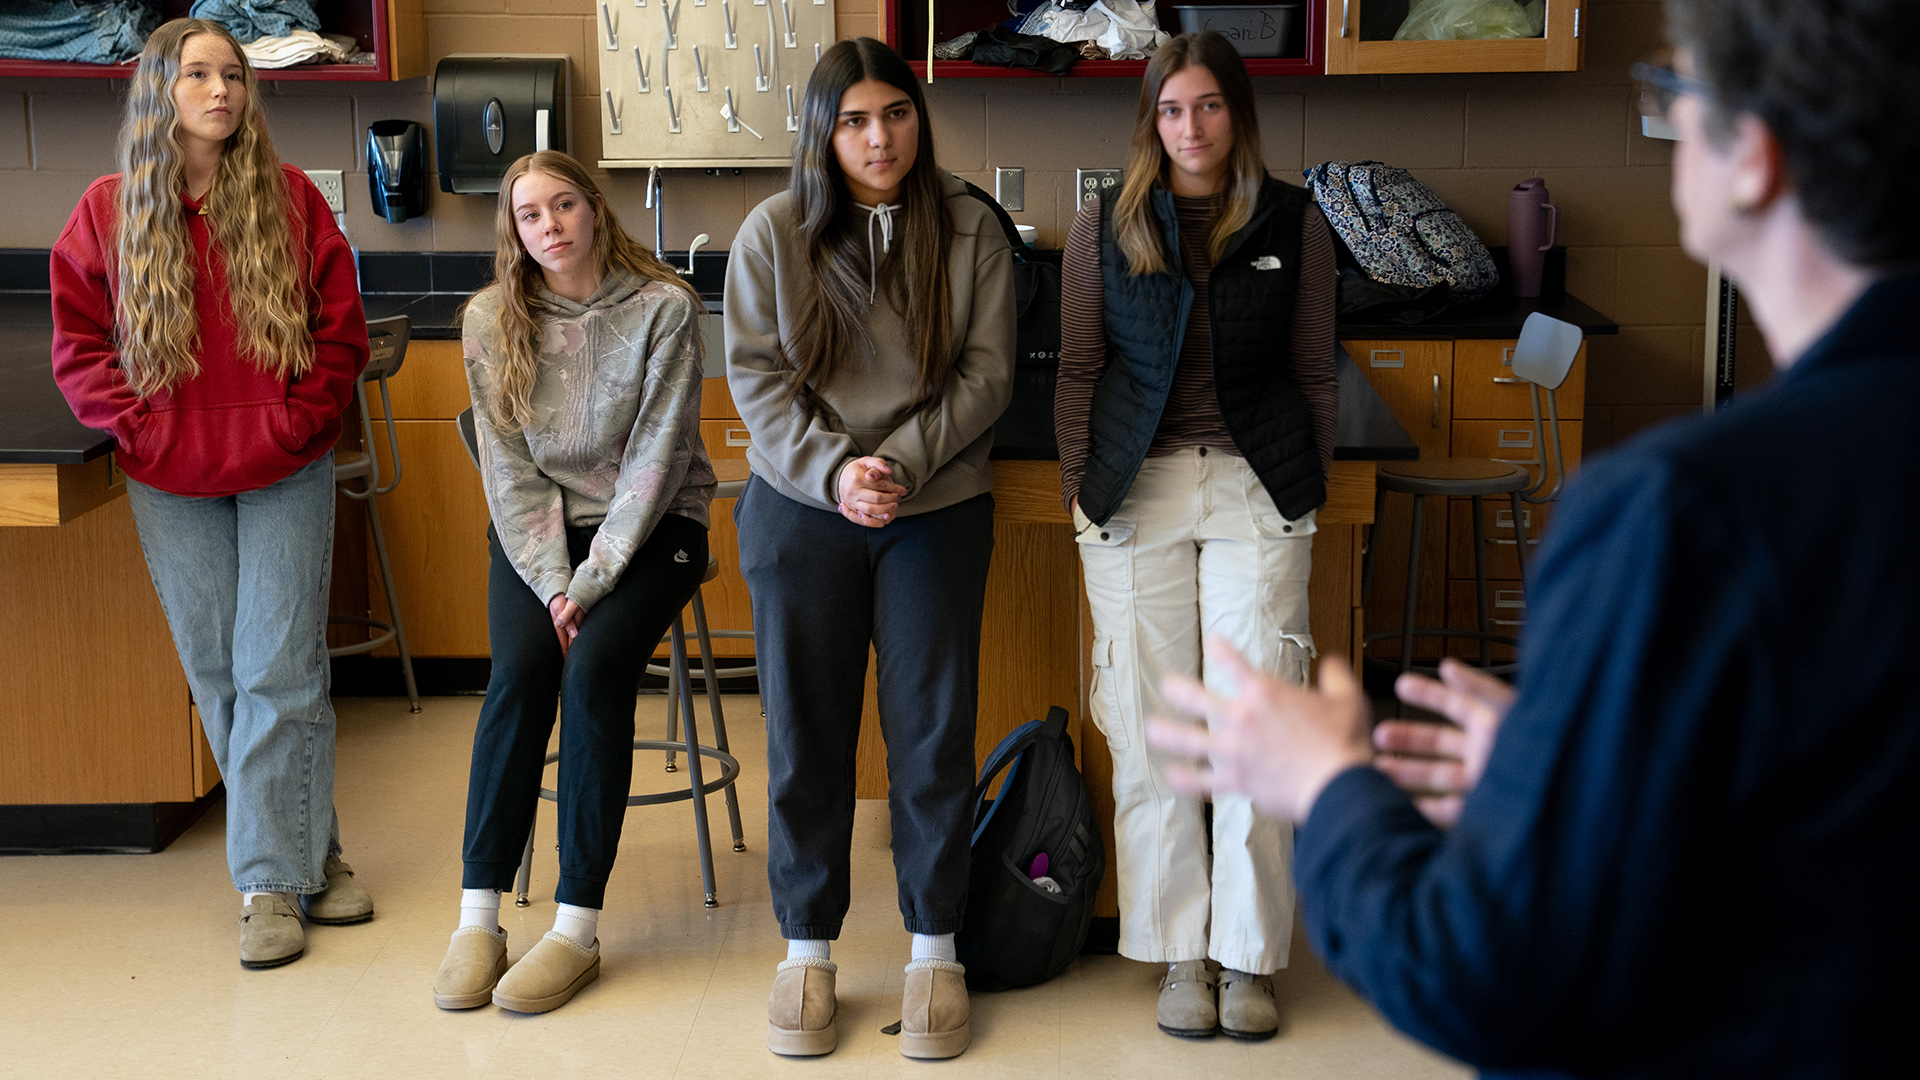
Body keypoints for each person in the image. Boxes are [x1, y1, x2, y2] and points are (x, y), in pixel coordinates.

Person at [1145, 0, 1920, 1074]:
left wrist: (1330, 782)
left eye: (1679, 94)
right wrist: (1587, 762)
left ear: (1756, 158)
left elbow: (1491, 975)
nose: (1667, 122)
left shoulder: (1677, 516)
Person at [49, 18, 372, 970]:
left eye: (233, 74)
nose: (222, 90)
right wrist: (146, 428)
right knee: (223, 677)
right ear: (161, 90)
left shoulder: (288, 202)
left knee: (282, 671)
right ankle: (313, 856)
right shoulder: (108, 210)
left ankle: (269, 884)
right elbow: (80, 347)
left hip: (282, 466)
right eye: (199, 74)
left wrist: (290, 424)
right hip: (169, 475)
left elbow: (339, 336)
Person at [726, 36, 1015, 1061]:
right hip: (803, 510)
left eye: (894, 113)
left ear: (917, 119)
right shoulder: (774, 233)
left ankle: (935, 951)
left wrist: (893, 466)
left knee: (932, 736)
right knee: (808, 732)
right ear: (823, 130)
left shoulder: (971, 227)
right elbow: (757, 381)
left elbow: (986, 375)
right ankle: (807, 950)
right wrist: (836, 473)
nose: (878, 136)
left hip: (933, 509)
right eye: (853, 120)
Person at [1053, 31, 1337, 1042]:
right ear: (1151, 121)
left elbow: (1314, 367)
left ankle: (1249, 957)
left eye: (1208, 106)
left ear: (1237, 115)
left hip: (1259, 492)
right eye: (1172, 110)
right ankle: (1181, 948)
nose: (1190, 128)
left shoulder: (1296, 222)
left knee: (1254, 721)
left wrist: (1310, 489)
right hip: (1137, 496)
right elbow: (1081, 370)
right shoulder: (1106, 221)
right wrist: (1084, 496)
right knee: (1154, 728)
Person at [433, 150, 715, 1015]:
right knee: (520, 675)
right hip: (536, 538)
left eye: (563, 205)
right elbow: (509, 471)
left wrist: (587, 589)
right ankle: (478, 919)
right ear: (512, 231)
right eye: (529, 215)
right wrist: (554, 577)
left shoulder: (666, 308)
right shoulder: (491, 319)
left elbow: (656, 463)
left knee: (592, 675)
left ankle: (574, 929)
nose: (549, 226)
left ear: (596, 208)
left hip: (656, 527)